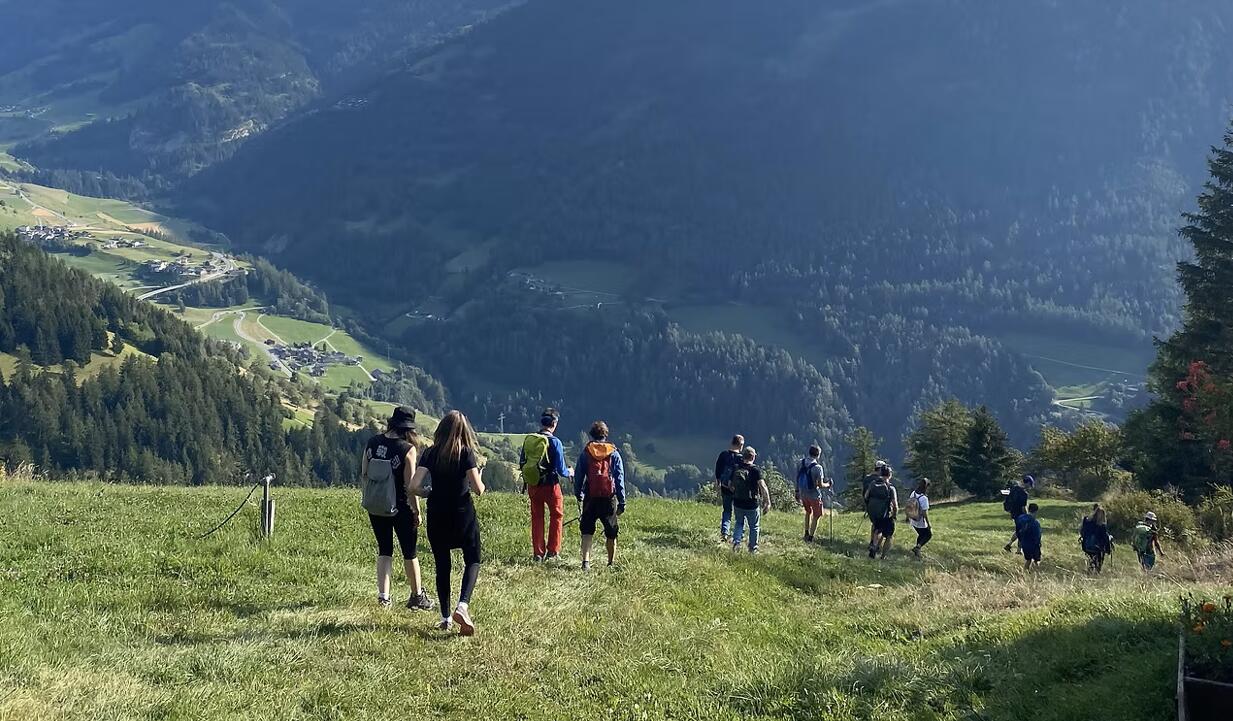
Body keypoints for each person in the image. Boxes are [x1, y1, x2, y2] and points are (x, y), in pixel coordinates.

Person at [410, 410, 486, 635]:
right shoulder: (466, 453)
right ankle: (462, 605)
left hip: (437, 514)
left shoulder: (430, 454)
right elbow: (478, 489)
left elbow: (413, 485)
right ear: (464, 432)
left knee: (442, 565)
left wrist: (427, 492)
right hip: (463, 514)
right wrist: (480, 476)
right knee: (473, 558)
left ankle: (445, 618)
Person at [361, 406, 434, 610]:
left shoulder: (372, 443)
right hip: (400, 507)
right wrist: (417, 512)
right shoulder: (407, 449)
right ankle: (416, 597)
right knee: (409, 552)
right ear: (409, 428)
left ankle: (384, 598)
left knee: (384, 549)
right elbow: (411, 486)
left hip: (376, 504)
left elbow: (364, 473)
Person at [519, 408, 573, 562]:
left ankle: (538, 553)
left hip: (533, 484)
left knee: (537, 517)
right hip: (550, 485)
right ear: (554, 424)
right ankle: (553, 551)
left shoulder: (530, 439)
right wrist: (570, 472)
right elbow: (561, 470)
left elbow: (522, 461)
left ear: (541, 422)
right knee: (556, 515)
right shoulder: (555, 442)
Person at [573, 421, 626, 570]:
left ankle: (586, 562)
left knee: (587, 530)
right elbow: (619, 478)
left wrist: (579, 494)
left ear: (592, 434)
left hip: (591, 497)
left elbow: (579, 476)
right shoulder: (614, 453)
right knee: (611, 531)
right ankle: (610, 563)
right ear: (605, 434)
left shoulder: (586, 452)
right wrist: (622, 501)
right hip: (609, 498)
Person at [729, 446, 771, 553]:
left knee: (739, 523)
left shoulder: (736, 467)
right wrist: (767, 502)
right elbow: (763, 486)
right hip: (752, 503)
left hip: (738, 502)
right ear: (753, 457)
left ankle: (736, 543)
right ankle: (753, 548)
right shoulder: (755, 470)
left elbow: (730, 485)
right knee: (754, 526)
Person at [714, 435, 745, 542]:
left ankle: (724, 532)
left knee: (727, 510)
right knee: (739, 513)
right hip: (738, 490)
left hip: (725, 487)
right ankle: (739, 534)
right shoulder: (741, 458)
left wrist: (718, 482)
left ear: (732, 442)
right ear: (741, 445)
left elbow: (718, 470)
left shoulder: (723, 455)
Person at [795, 445, 828, 542]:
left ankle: (806, 532)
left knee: (808, 512)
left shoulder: (800, 463)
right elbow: (820, 484)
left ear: (809, 452)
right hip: (814, 495)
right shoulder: (818, 468)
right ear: (818, 455)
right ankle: (810, 537)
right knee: (817, 515)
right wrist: (828, 485)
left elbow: (797, 478)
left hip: (803, 493)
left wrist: (797, 491)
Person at [864, 464, 899, 559]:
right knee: (889, 536)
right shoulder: (891, 488)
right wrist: (895, 515)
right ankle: (883, 556)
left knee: (876, 531)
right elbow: (895, 504)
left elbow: (866, 496)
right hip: (886, 515)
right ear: (890, 475)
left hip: (875, 514)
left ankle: (874, 546)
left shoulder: (873, 483)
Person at [1005, 503, 1043, 570]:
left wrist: (1021, 541)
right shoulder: (1035, 523)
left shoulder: (1021, 518)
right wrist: (1038, 543)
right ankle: (1036, 574)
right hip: (1033, 544)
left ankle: (1025, 573)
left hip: (1024, 543)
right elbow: (1037, 535)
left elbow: (1017, 531)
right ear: (1036, 511)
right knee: (1036, 560)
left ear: (1028, 509)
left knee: (1028, 560)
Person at [1079, 503, 1113, 574]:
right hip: (1098, 548)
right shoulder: (1101, 526)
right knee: (1098, 562)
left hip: (1087, 546)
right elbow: (1105, 538)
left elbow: (1082, 532)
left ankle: (1090, 572)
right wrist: (1108, 548)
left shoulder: (1087, 521)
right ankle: (1095, 574)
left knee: (1092, 560)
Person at [906, 477, 931, 559]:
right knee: (928, 534)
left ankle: (917, 549)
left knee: (921, 534)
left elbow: (909, 505)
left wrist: (907, 516)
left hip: (912, 519)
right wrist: (928, 523)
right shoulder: (924, 498)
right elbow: (924, 512)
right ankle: (918, 547)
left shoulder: (913, 493)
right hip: (920, 520)